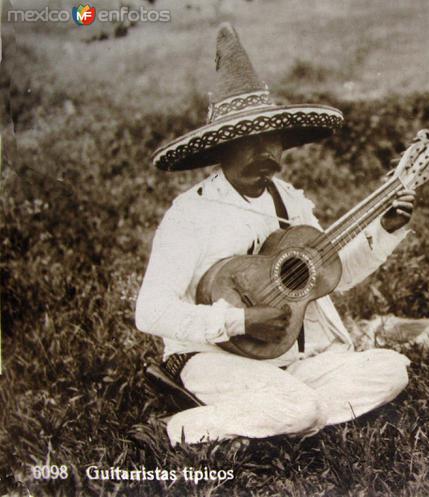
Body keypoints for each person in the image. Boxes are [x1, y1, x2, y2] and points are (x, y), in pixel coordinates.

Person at [136, 24, 413, 445]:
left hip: (287, 358)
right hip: (210, 357)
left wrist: (385, 232)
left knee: (392, 368)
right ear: (220, 150)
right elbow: (150, 312)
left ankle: (269, 418)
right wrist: (240, 319)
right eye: (250, 142)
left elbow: (327, 278)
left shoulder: (290, 201)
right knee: (303, 405)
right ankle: (177, 430)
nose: (267, 154)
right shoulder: (189, 214)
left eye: (274, 141)